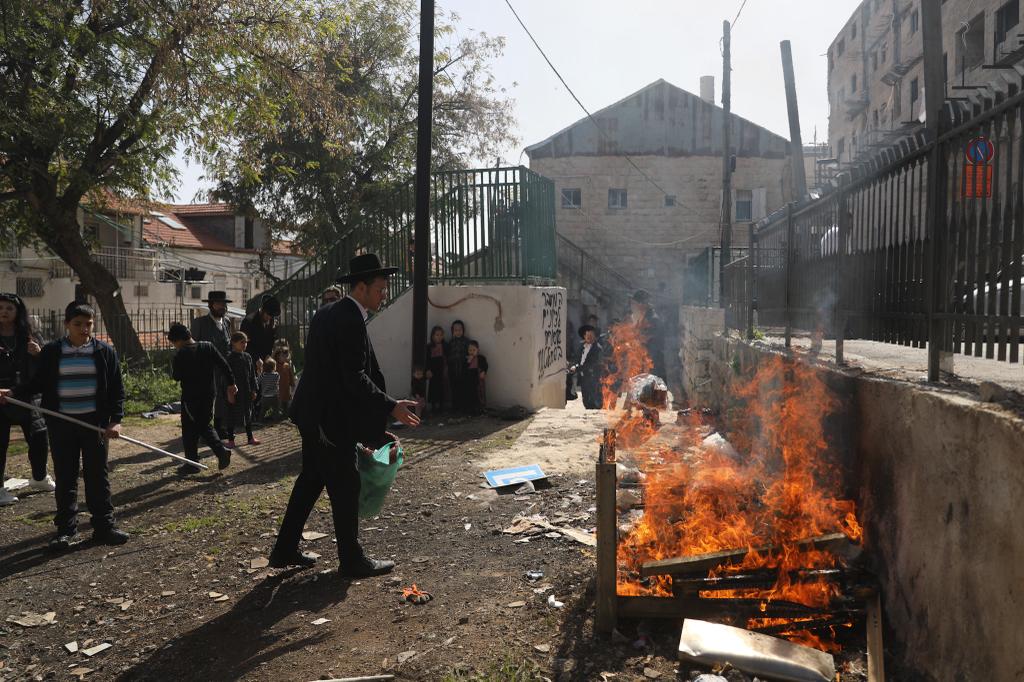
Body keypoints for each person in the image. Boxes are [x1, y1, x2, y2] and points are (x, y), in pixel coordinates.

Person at [270, 253, 420, 577]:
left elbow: (338, 374)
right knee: (345, 484)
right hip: (328, 420)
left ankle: (283, 550)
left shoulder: (329, 312)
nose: (385, 293)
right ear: (362, 287)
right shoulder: (349, 318)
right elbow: (353, 377)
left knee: (311, 480)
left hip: (314, 413)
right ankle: (351, 560)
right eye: (381, 288)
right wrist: (390, 404)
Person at [0, 301, 127, 550]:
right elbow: (37, 383)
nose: (84, 329)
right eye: (78, 324)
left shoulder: (104, 352)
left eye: (88, 324)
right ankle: (65, 531)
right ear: (67, 324)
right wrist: (12, 392)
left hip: (95, 425)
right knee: (66, 477)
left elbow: (116, 390)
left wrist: (116, 421)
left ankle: (104, 526)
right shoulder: (53, 351)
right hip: (62, 424)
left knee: (97, 477)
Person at [0, 293, 53, 506]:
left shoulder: (29, 335)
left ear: (18, 312)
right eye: (0, 307)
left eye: (9, 308)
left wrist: (39, 353)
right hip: (0, 397)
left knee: (39, 437)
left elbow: (46, 366)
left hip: (27, 395)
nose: (4, 312)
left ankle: (39, 478)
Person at [168, 323, 237, 474]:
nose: (174, 346)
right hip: (210, 394)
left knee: (197, 427)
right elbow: (224, 365)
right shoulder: (208, 346)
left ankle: (218, 453)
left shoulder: (181, 354)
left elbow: (176, 377)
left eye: (174, 343)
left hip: (191, 397)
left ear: (178, 340)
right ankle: (193, 462)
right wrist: (231, 383)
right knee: (197, 425)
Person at [191, 291, 234, 440]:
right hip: (206, 370)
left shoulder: (227, 322)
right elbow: (193, 347)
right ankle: (204, 431)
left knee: (222, 399)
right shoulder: (199, 323)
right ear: (211, 305)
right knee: (207, 401)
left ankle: (219, 427)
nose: (222, 306)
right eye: (218, 303)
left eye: (224, 304)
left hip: (223, 369)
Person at [226, 332, 259, 447]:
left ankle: (250, 437)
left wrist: (254, 389)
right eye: (242, 342)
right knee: (232, 415)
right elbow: (226, 375)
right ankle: (231, 440)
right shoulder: (229, 358)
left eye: (245, 342)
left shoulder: (247, 357)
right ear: (234, 343)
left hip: (247, 390)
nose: (244, 344)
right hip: (235, 391)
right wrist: (229, 392)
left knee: (248, 414)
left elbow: (252, 375)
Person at [240, 294, 280, 375]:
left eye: (272, 316)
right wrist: (256, 359)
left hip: (265, 368)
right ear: (262, 310)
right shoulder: (248, 322)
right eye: (268, 315)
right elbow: (244, 345)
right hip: (250, 367)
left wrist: (268, 356)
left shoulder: (272, 323)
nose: (270, 318)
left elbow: (270, 342)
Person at [631, 289, 666, 380]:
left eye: (635, 303)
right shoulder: (642, 317)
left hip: (652, 363)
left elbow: (653, 345)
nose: (633, 306)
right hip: (644, 360)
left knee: (653, 390)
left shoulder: (653, 320)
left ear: (642, 304)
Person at [569, 324, 604, 409]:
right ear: (584, 336)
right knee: (585, 396)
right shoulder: (581, 347)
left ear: (595, 337)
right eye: (587, 335)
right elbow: (577, 359)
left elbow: (590, 363)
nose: (589, 337)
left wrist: (577, 368)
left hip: (593, 376)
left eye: (591, 335)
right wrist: (573, 365)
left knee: (593, 397)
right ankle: (588, 409)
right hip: (583, 376)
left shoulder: (597, 349)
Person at [424, 325, 448, 413]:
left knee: (442, 387)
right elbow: (427, 359)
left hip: (441, 369)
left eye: (441, 335)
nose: (439, 337)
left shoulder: (445, 345)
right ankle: (434, 406)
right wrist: (428, 370)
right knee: (433, 388)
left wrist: (446, 368)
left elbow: (447, 357)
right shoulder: (429, 346)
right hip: (433, 370)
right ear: (432, 336)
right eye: (437, 335)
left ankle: (441, 406)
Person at [447, 320, 469, 411]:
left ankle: (463, 407)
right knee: (454, 387)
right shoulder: (450, 342)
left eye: (460, 329)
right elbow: (448, 354)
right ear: (452, 331)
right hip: (453, 368)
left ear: (463, 330)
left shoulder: (466, 341)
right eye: (456, 330)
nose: (458, 331)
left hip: (463, 368)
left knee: (463, 387)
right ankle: (455, 407)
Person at [462, 340, 488, 414]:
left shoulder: (481, 358)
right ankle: (470, 409)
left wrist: (483, 372)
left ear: (477, 350)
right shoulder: (466, 358)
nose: (472, 352)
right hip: (469, 380)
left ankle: (480, 408)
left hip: (478, 379)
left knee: (479, 393)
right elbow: (463, 369)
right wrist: (468, 361)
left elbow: (485, 366)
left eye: (474, 350)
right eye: (470, 350)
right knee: (470, 394)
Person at [271, 342, 295, 416]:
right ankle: (277, 415)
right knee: (278, 403)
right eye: (282, 356)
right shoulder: (275, 365)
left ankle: (286, 415)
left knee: (286, 403)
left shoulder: (287, 365)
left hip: (286, 388)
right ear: (277, 356)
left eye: (285, 356)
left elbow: (291, 376)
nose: (284, 357)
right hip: (278, 389)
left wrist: (292, 384)